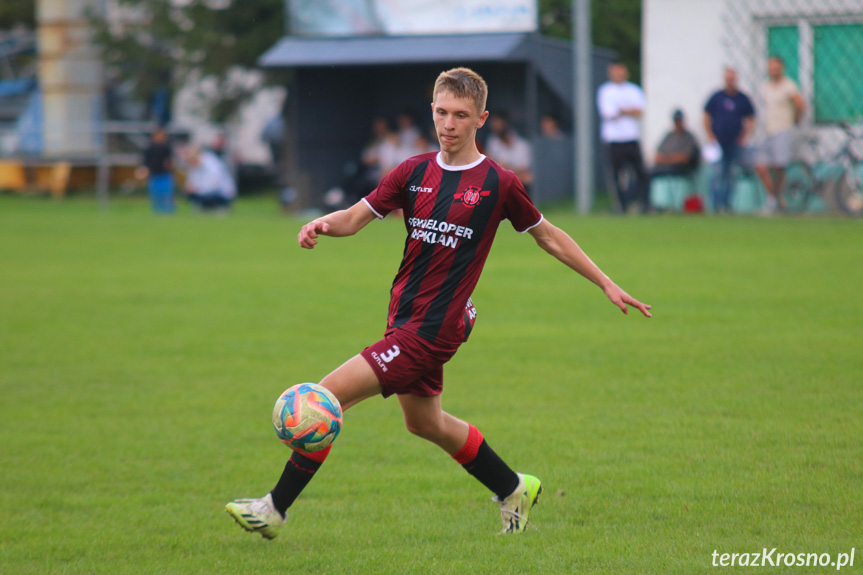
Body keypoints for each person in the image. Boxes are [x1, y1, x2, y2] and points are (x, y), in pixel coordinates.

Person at [225, 67, 651, 539]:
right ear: (432, 110)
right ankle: (513, 486)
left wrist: (605, 283)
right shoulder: (412, 171)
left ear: (480, 119)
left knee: (323, 399)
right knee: (425, 424)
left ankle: (274, 508)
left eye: (461, 115)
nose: (449, 124)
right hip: (402, 320)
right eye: (442, 112)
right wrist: (321, 225)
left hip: (433, 329)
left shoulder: (498, 183)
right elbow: (352, 218)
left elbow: (548, 237)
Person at [754, 56, 805, 213]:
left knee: (778, 167)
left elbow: (800, 104)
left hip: (783, 130)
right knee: (760, 166)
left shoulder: (788, 85)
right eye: (771, 68)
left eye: (776, 68)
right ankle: (774, 199)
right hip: (768, 132)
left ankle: (777, 201)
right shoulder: (766, 87)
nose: (773, 71)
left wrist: (795, 119)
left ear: (781, 69)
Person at [597, 62, 650, 213]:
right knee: (616, 175)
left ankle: (643, 204)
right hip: (614, 139)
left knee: (642, 172)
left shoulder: (634, 90)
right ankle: (621, 205)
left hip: (631, 137)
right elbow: (609, 113)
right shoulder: (605, 91)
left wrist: (622, 110)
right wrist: (628, 110)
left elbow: (639, 111)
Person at [703, 67, 756, 213]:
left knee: (730, 175)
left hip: (734, 143)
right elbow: (706, 116)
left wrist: (745, 136)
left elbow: (751, 118)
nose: (730, 82)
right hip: (718, 143)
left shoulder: (742, 99)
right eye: (728, 79)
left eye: (732, 79)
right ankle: (716, 205)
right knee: (717, 174)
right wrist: (710, 135)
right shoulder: (717, 97)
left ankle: (726, 204)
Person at [485, 110, 534, 189]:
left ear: (505, 124)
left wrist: (506, 168)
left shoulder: (522, 144)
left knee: (528, 177)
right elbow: (489, 164)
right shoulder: (492, 142)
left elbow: (525, 169)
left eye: (498, 124)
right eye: (494, 125)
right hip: (500, 180)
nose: (496, 127)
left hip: (518, 179)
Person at [183, 144, 237, 212]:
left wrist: (196, 189)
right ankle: (205, 206)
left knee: (206, 196)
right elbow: (191, 182)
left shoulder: (211, 163)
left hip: (222, 193)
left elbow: (214, 184)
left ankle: (220, 207)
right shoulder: (196, 166)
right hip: (207, 191)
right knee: (190, 195)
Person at [137, 127, 175, 214]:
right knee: (156, 195)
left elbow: (170, 161)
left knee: (166, 194)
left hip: (165, 174)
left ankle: (168, 212)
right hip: (154, 175)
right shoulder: (149, 148)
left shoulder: (166, 147)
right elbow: (145, 162)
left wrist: (170, 165)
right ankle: (157, 212)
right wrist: (143, 171)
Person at [652, 109, 700, 178]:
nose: (678, 123)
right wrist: (669, 159)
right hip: (666, 167)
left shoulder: (688, 137)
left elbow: (684, 158)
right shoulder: (669, 136)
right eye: (676, 121)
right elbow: (657, 156)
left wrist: (666, 159)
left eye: (679, 121)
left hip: (682, 168)